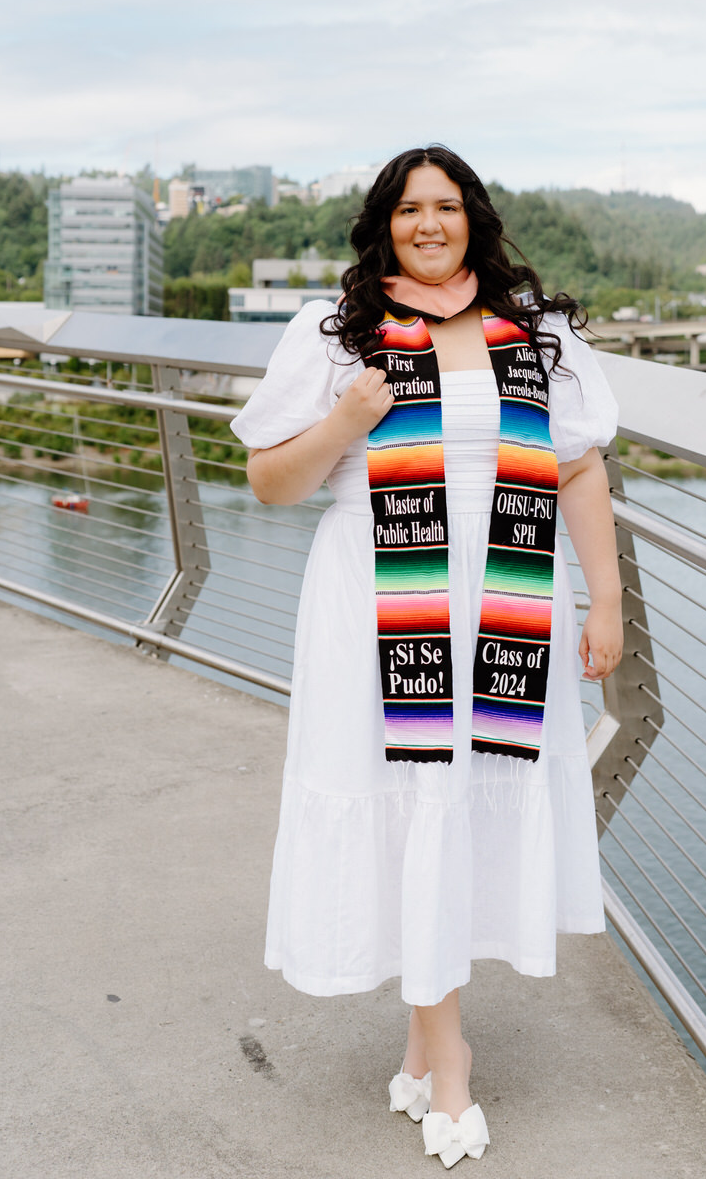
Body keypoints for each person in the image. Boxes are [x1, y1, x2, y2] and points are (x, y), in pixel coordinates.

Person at [230, 146, 623, 1168]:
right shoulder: (337, 335)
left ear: (475, 219)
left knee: (454, 802)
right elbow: (270, 483)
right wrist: (348, 419)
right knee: (409, 798)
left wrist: (606, 601)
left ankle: (419, 1045)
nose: (432, 223)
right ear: (385, 224)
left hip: (504, 602)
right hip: (378, 602)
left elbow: (579, 471)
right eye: (412, 209)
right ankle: (450, 1063)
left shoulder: (536, 336)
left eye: (448, 206)